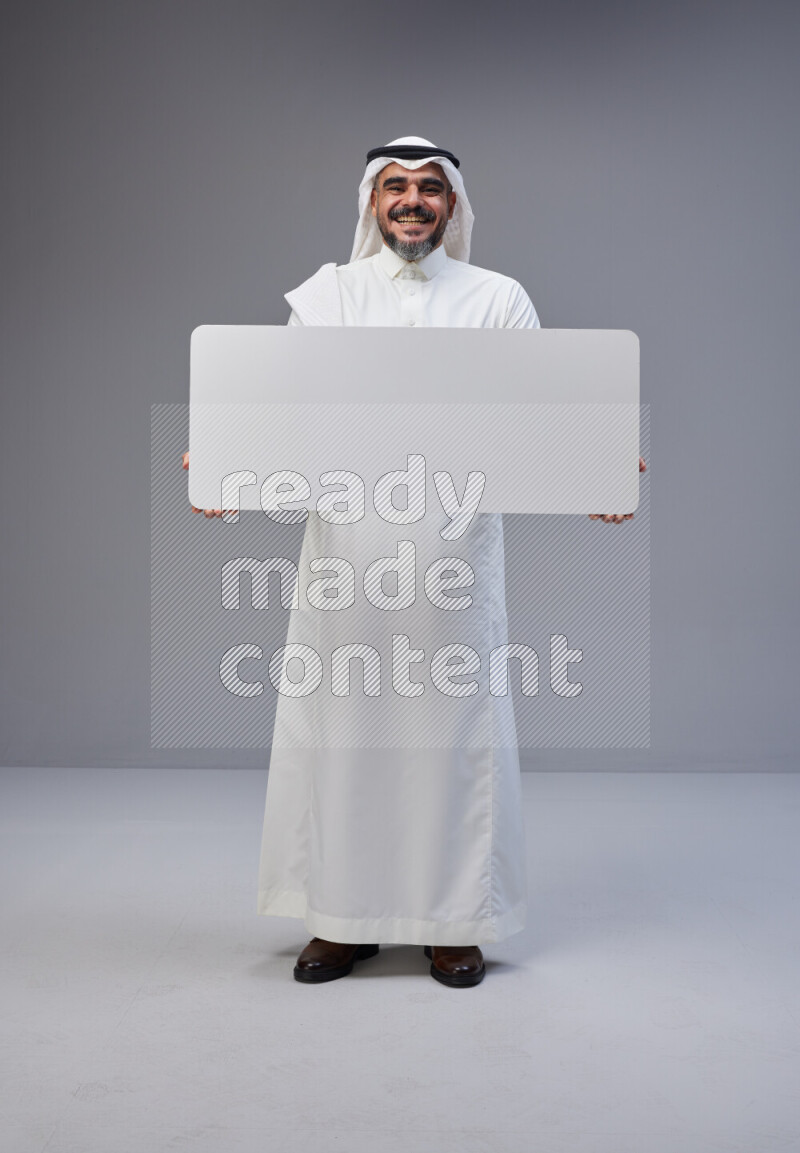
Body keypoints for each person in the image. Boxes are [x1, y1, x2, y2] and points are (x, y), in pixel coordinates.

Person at [184, 136, 644, 987]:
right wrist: (221, 457)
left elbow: (544, 415)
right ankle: (340, 920)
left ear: (453, 205)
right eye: (394, 187)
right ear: (370, 201)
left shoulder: (498, 300)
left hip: (453, 562)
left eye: (430, 188)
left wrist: (601, 464)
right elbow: (278, 410)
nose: (411, 201)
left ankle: (452, 923)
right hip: (347, 561)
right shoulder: (328, 297)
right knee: (346, 737)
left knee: (451, 737)